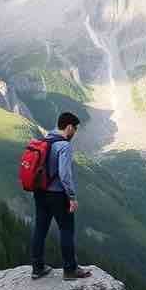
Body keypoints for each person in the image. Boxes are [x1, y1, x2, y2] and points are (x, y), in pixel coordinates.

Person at [30, 111, 92, 280]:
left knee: (40, 229)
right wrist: (71, 197)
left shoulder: (45, 140)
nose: (75, 133)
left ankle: (37, 268)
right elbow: (64, 174)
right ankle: (70, 269)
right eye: (75, 129)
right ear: (69, 127)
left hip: (39, 192)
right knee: (66, 230)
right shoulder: (64, 145)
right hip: (57, 195)